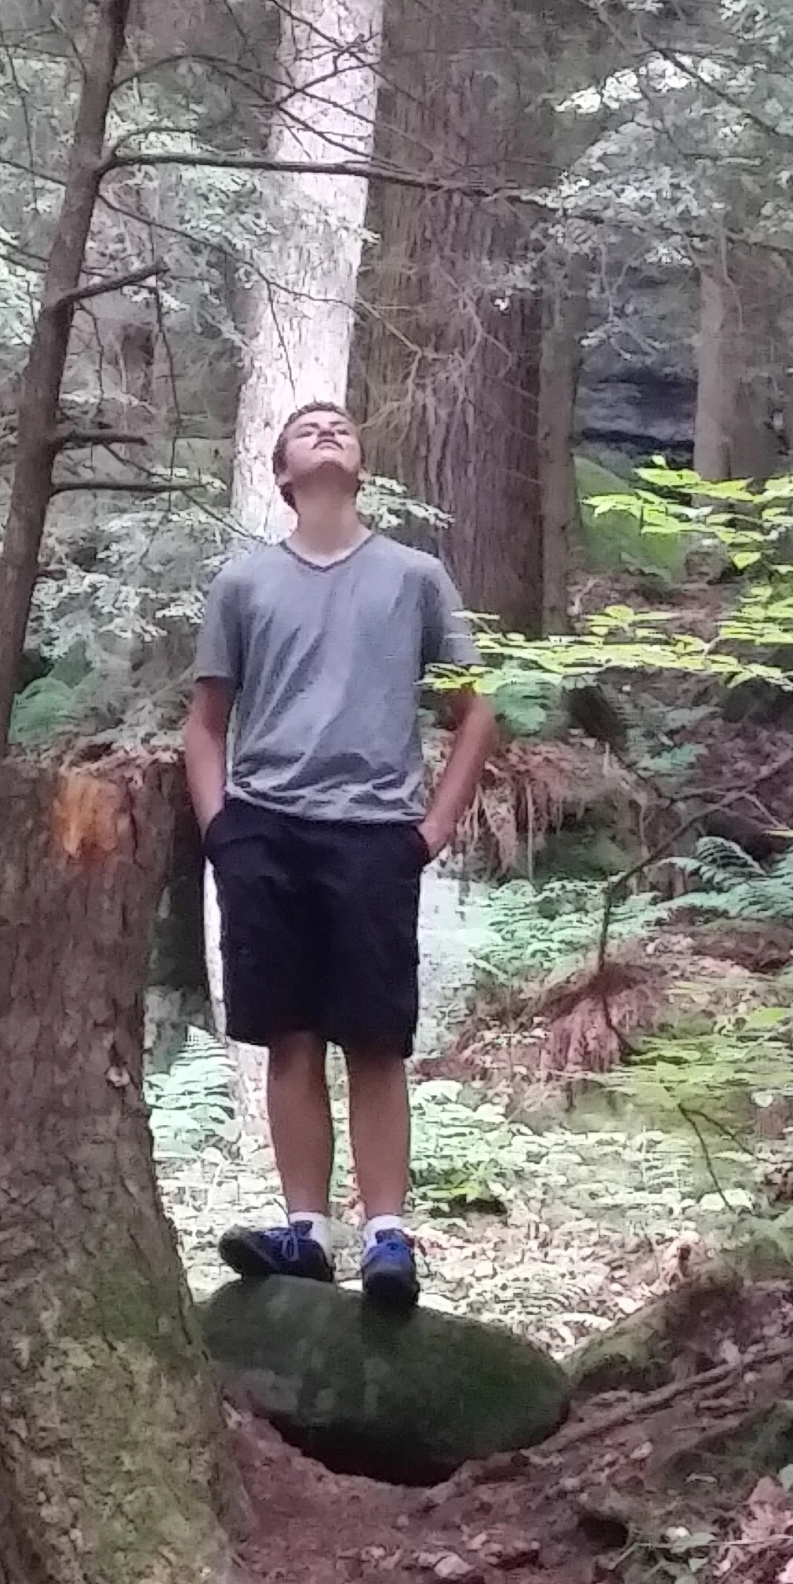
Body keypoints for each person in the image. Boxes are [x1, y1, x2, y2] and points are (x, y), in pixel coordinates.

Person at [184, 402, 498, 1310]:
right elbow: (205, 726)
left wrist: (430, 831)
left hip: (372, 830)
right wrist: (222, 831)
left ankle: (388, 1236)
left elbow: (474, 710)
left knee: (374, 1037)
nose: (328, 430)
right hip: (268, 828)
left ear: (361, 466)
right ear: (282, 472)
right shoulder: (243, 585)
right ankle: (306, 1231)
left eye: (344, 425)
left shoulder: (415, 577)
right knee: (290, 1035)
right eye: (308, 426)